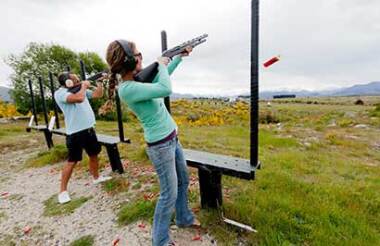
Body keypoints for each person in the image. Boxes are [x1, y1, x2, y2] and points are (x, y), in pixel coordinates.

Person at [105, 40, 199, 246]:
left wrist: (178, 57)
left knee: (183, 181)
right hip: (160, 146)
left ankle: (184, 218)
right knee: (168, 194)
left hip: (172, 138)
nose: (141, 57)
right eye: (138, 54)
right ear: (129, 60)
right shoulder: (128, 89)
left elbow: (162, 76)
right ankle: (160, 241)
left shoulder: (139, 80)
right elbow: (165, 88)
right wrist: (162, 63)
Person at [54, 72, 111, 204]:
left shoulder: (79, 88)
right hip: (75, 133)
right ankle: (62, 191)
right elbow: (79, 98)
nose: (78, 80)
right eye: (74, 79)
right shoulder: (60, 93)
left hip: (89, 129)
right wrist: (84, 86)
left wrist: (100, 82)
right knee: (72, 161)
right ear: (67, 82)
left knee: (93, 154)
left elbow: (98, 95)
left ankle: (96, 178)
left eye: (78, 79)